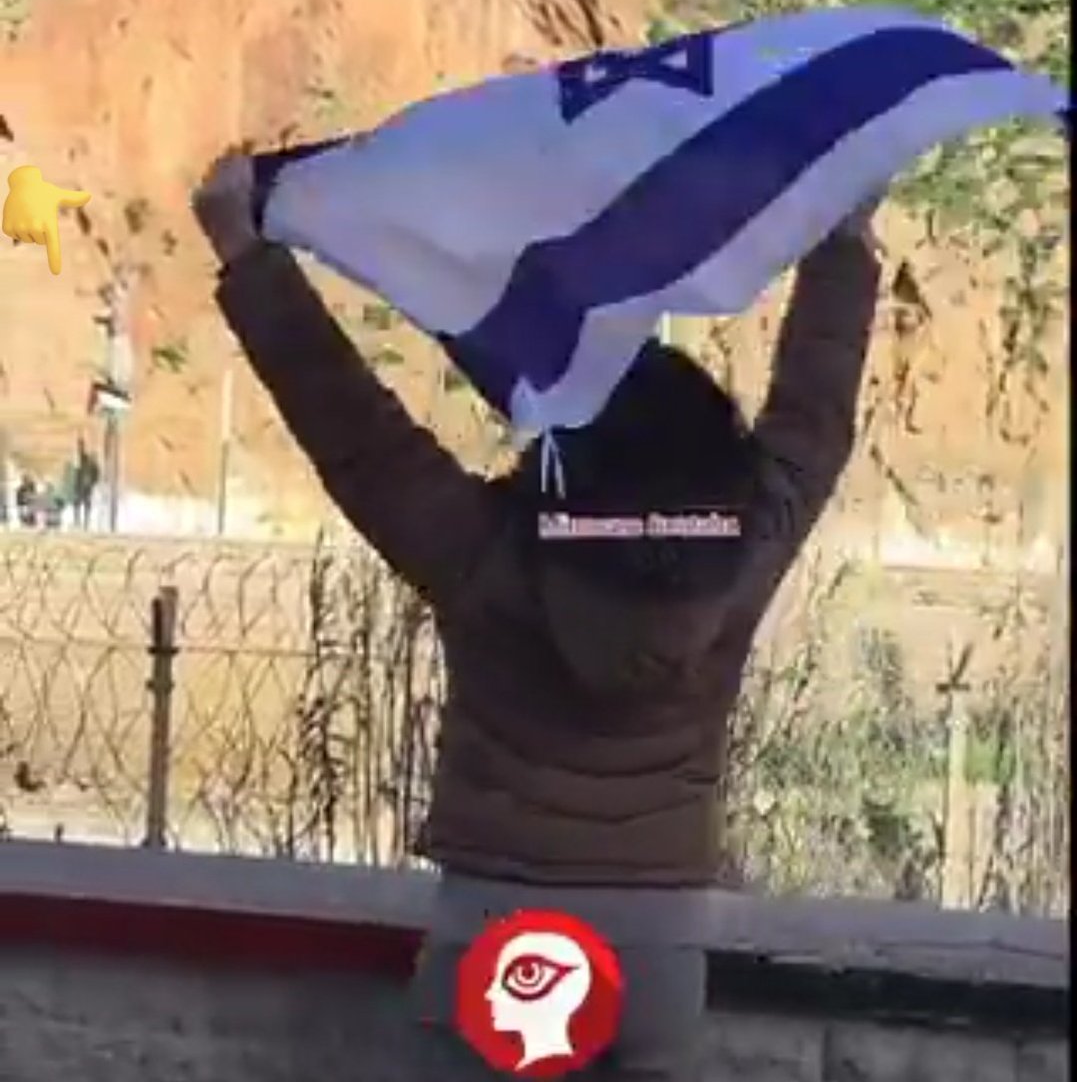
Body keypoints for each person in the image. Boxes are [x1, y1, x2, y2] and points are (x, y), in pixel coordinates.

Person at [193, 153, 883, 1080]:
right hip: (658, 942)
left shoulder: (483, 555)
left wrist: (249, 258)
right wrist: (841, 239)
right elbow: (814, 417)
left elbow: (352, 430)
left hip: (495, 928)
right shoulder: (741, 554)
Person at [72, 438, 101, 530]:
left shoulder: (90, 463)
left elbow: (96, 475)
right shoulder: (82, 459)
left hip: (86, 487)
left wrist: (92, 483)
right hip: (80, 485)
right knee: (78, 503)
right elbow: (77, 471)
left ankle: (85, 523)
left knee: (85, 504)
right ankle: (78, 522)